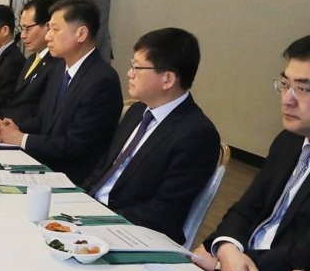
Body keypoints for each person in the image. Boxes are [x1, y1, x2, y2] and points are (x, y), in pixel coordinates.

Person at [194, 30, 310, 271]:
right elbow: (246, 208)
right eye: (285, 84)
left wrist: (223, 262)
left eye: (302, 88)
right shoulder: (288, 141)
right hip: (237, 268)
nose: (287, 99)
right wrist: (226, 246)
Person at [81, 28, 220, 244]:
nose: (129, 73)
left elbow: (165, 211)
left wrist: (100, 220)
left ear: (167, 79)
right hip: (92, 213)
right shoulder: (138, 110)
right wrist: (79, 198)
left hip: (132, 232)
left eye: (137, 67)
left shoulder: (197, 135)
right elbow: (105, 166)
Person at [0, 0, 121, 184]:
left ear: (81, 34)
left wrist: (21, 139)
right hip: (45, 166)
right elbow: (44, 119)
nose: (48, 36)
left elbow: (75, 145)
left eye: (55, 29)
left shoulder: (102, 81)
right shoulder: (59, 68)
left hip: (73, 178)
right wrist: (13, 129)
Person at [0, 0, 57, 124]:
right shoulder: (31, 59)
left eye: (27, 28)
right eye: (21, 29)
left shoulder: (57, 64)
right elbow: (15, 101)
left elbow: (39, 113)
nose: (23, 35)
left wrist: (14, 129)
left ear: (48, 26)